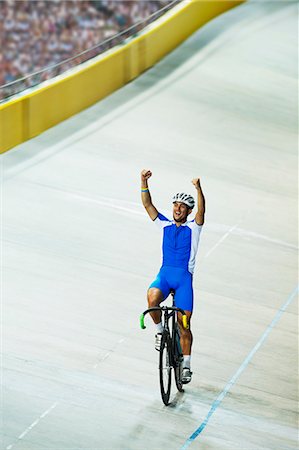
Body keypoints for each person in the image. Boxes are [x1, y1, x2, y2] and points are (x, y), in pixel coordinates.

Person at [141, 169, 205, 384]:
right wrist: (143, 181)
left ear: (188, 210)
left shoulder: (194, 228)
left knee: (184, 325)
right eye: (175, 205)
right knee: (151, 298)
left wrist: (198, 189)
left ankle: (186, 365)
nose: (178, 208)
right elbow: (148, 205)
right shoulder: (165, 224)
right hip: (165, 276)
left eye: (182, 206)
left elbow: (202, 212)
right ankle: (159, 331)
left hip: (184, 281)